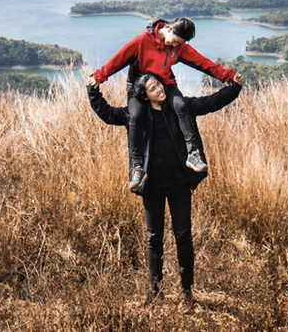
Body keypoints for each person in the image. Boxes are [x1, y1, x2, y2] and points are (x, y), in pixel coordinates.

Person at [87, 70, 243, 310]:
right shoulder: (135, 116)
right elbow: (107, 114)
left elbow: (210, 103)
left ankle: (187, 293)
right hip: (152, 186)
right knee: (153, 238)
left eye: (158, 84)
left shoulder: (180, 109)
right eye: (152, 88)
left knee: (183, 236)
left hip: (179, 183)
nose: (159, 88)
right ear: (145, 96)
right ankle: (155, 292)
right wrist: (92, 90)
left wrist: (234, 88)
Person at [87, 17, 237, 191]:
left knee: (181, 105)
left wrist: (226, 77)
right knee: (135, 116)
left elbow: (202, 62)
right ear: (170, 29)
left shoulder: (177, 47)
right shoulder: (142, 40)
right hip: (139, 86)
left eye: (179, 44)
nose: (174, 46)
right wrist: (99, 77)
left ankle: (193, 153)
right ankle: (137, 167)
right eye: (175, 40)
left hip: (164, 84)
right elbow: (118, 59)